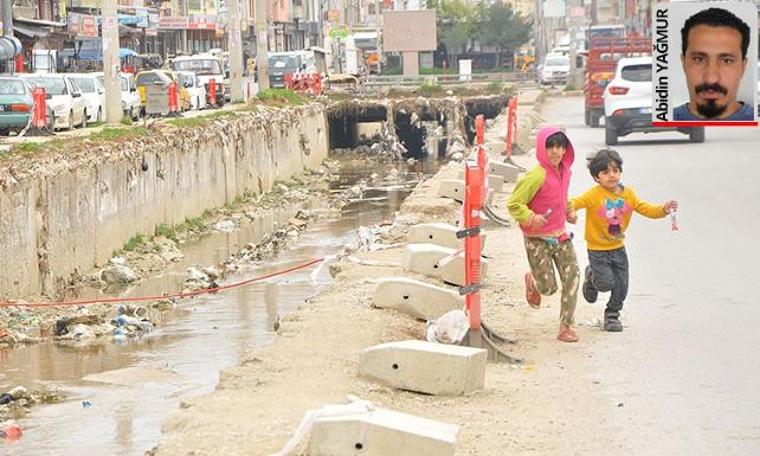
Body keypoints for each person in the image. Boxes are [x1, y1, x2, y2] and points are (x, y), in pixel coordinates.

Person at [567, 149, 678, 332]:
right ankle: (591, 276)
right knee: (605, 284)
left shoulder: (628, 194)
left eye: (615, 170)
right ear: (596, 177)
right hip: (597, 249)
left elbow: (646, 209)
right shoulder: (594, 195)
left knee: (621, 285)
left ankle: (612, 315)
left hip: (618, 248)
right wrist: (569, 210)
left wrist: (664, 209)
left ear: (620, 172)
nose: (611, 175)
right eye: (605, 172)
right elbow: (575, 202)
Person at [507, 127, 581, 343]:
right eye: (550, 146)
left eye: (560, 146)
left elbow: (562, 196)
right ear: (542, 148)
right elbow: (514, 204)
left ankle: (566, 326)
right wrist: (531, 217)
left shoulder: (565, 171)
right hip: (536, 239)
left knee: (573, 277)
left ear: (566, 149)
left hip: (561, 236)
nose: (555, 151)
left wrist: (570, 212)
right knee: (549, 288)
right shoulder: (535, 176)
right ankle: (534, 281)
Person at [674, 7, 754, 121]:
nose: (711, 79)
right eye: (698, 59)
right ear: (683, 63)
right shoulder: (663, 123)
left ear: (743, 67)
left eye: (727, 61)